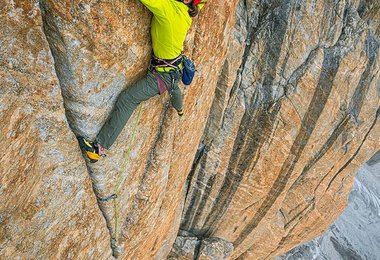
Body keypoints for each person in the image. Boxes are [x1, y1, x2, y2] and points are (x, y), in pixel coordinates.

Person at [78, 0, 204, 163]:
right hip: (175, 67)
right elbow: (201, 3)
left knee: (127, 99)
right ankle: (179, 109)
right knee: (174, 88)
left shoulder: (169, 10)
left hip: (163, 76)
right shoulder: (189, 10)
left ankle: (99, 149)